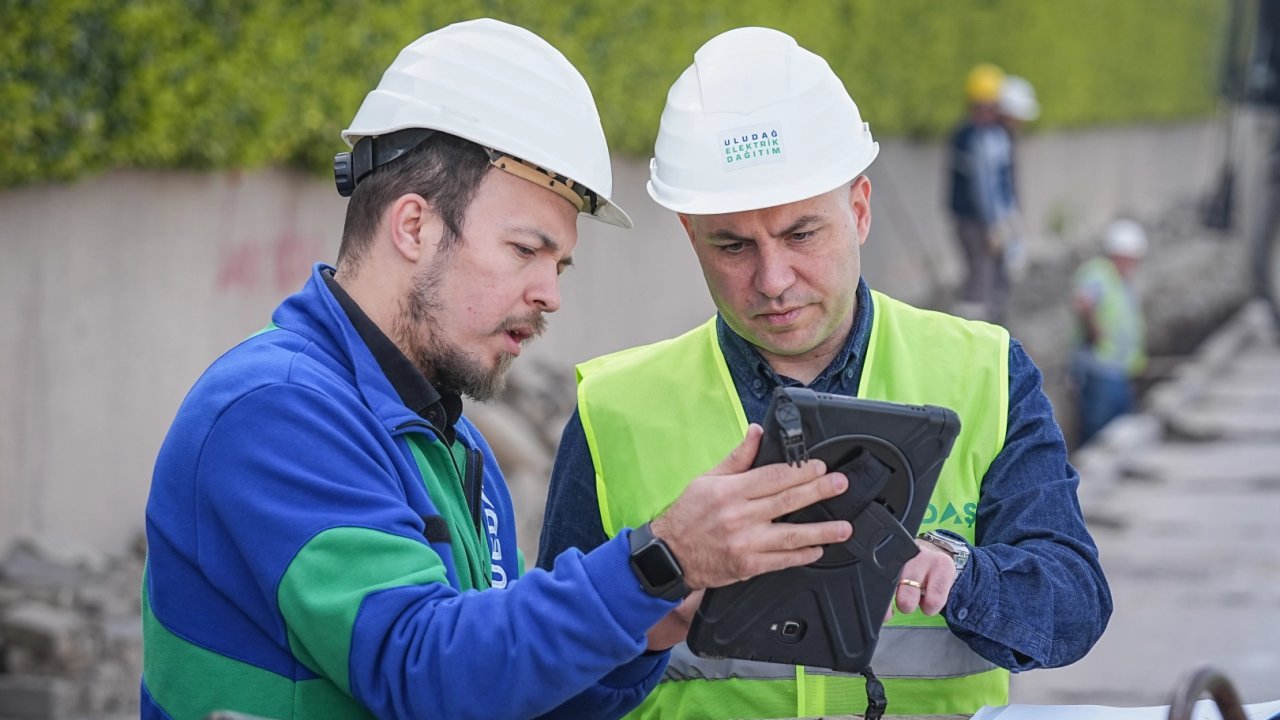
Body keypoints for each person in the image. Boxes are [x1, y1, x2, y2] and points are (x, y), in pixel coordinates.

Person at [141, 19, 855, 720]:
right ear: (414, 226)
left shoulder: (458, 449)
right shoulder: (274, 411)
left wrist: (641, 628)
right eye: (525, 250)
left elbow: (493, 692)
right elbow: (422, 670)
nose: (551, 293)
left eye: (559, 263)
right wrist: (656, 561)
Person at [539, 28, 1112, 719]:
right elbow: (551, 676)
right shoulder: (615, 409)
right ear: (691, 236)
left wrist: (961, 576)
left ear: (860, 210)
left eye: (801, 234)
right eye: (732, 245)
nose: (773, 280)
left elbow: (1073, 603)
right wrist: (651, 600)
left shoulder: (983, 370)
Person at [948, 63, 1018, 322]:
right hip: (974, 220)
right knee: (980, 272)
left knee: (988, 273)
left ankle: (987, 320)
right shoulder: (976, 137)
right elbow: (983, 185)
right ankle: (974, 324)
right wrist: (994, 224)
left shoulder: (974, 134)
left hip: (976, 217)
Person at [1071, 218, 1149, 445]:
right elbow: (1083, 302)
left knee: (1118, 430)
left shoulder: (1121, 281)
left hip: (1118, 370)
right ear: (1121, 254)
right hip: (1100, 370)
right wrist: (1095, 331)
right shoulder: (1098, 273)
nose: (1134, 264)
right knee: (1099, 432)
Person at [995, 75, 1041, 282]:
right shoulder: (994, 140)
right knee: (991, 272)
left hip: (1004, 212)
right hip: (997, 215)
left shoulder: (1006, 137)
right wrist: (997, 221)